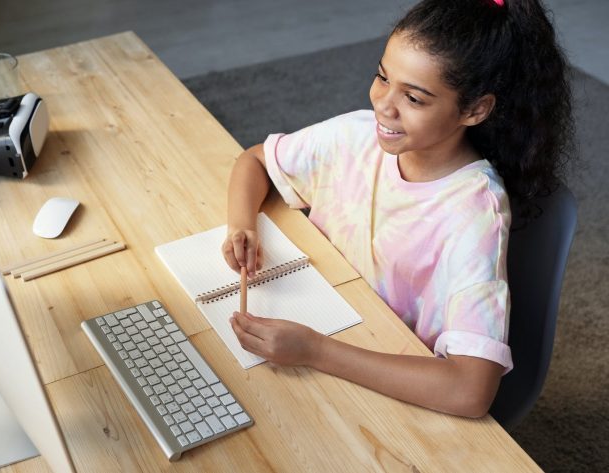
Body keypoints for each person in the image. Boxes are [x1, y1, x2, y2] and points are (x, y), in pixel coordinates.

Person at [222, 0, 573, 417]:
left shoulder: (474, 215)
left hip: (386, 382)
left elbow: (469, 391)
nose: (383, 106)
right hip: (329, 328)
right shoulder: (355, 137)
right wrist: (242, 225)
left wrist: (316, 350)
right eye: (382, 78)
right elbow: (256, 160)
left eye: (414, 98)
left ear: (476, 109)